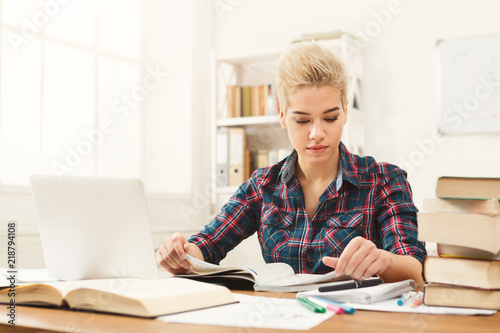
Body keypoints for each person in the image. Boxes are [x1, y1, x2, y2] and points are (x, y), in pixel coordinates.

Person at [156, 40, 426, 285]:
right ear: (283, 116)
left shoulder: (384, 180)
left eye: (330, 118)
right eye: (302, 120)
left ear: (345, 110)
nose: (317, 133)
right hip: (281, 318)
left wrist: (384, 260)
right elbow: (207, 245)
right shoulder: (263, 185)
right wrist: (181, 254)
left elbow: (414, 269)